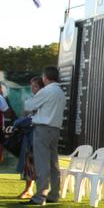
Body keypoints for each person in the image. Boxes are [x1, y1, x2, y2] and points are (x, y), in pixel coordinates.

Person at [22, 66, 66, 206]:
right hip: (55, 129)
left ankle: (39, 197)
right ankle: (54, 195)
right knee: (53, 164)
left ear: (45, 77)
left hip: (42, 129)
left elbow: (28, 106)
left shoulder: (47, 91)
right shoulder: (60, 92)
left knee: (42, 164)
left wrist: (33, 97)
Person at [15, 76, 44, 199]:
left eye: (36, 86)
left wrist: (22, 121)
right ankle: (28, 189)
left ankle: (40, 192)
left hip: (38, 136)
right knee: (28, 163)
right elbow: (25, 114)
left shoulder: (44, 99)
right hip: (28, 136)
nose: (33, 88)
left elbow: (34, 118)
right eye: (31, 86)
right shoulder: (32, 99)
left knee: (36, 164)